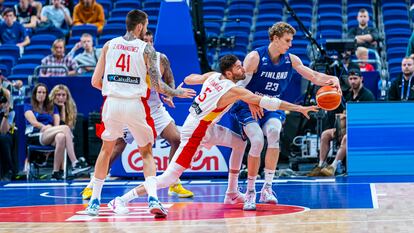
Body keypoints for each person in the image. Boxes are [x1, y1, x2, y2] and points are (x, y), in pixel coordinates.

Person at [107, 55, 318, 217]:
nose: (242, 68)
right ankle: (122, 200)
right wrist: (299, 109)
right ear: (228, 73)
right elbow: (270, 103)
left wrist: (183, 85)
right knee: (169, 177)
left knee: (239, 143)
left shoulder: (213, 75)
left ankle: (232, 192)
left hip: (206, 126)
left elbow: (192, 78)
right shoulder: (232, 90)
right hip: (196, 132)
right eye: (238, 67)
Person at [85, 9, 196, 216]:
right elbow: (158, 86)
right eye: (145, 27)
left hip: (112, 104)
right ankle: (153, 198)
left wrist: (113, 90)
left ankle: (94, 201)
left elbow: (94, 81)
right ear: (139, 27)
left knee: (105, 150)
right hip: (135, 105)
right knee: (146, 152)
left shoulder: (108, 45)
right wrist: (177, 92)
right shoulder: (147, 49)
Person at [230, 22, 340, 210]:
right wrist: (252, 101)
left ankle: (267, 187)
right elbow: (237, 87)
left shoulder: (291, 60)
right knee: (256, 141)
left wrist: (332, 79)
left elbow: (313, 76)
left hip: (272, 105)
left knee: (273, 133)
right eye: (287, 40)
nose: (290, 44)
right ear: (275, 38)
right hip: (248, 105)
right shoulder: (255, 57)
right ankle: (250, 192)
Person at [308, 67, 375, 177]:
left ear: (361, 79)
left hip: (360, 130)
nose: (353, 81)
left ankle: (333, 166)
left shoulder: (368, 95)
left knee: (346, 138)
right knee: (325, 134)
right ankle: (321, 165)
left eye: (355, 78)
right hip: (344, 128)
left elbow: (368, 117)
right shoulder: (347, 95)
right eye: (350, 79)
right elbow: (339, 114)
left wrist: (346, 116)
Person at [24, 83, 90, 180]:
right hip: (35, 135)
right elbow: (34, 123)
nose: (41, 94)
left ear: (46, 94)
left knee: (61, 137)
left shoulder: (52, 108)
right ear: (35, 94)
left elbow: (57, 125)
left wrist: (52, 128)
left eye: (44, 92)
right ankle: (75, 163)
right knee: (65, 128)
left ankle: (55, 173)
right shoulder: (28, 106)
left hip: (48, 135)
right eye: (39, 92)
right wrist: (46, 127)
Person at [0, 86, 17, 181]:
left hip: (7, 134)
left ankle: (8, 171)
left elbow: (3, 131)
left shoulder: (11, 112)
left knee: (3, 138)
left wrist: (5, 114)